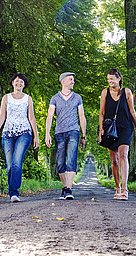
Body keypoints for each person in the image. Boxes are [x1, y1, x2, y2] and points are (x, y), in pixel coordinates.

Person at [0, 73, 39, 203]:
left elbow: (31, 118)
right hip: (7, 133)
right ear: (12, 83)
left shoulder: (28, 98)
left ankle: (14, 192)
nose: (19, 83)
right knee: (10, 165)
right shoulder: (6, 98)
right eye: (16, 81)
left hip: (24, 132)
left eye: (21, 82)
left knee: (17, 162)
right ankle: (12, 191)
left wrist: (36, 136)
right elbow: (1, 116)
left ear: (24, 85)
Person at [98, 68, 136, 200]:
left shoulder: (127, 92)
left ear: (119, 78)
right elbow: (101, 112)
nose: (110, 81)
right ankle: (117, 187)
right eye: (108, 79)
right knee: (114, 160)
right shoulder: (105, 92)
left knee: (123, 155)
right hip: (110, 128)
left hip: (125, 127)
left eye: (112, 78)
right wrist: (101, 129)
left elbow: (132, 111)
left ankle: (125, 189)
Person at [45, 71, 87, 200]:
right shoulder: (55, 98)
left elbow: (81, 116)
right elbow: (50, 116)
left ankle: (68, 189)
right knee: (60, 161)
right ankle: (65, 188)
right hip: (59, 132)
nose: (73, 81)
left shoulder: (77, 98)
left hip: (73, 131)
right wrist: (47, 134)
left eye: (73, 79)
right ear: (63, 81)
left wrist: (83, 135)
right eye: (71, 79)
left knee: (71, 158)